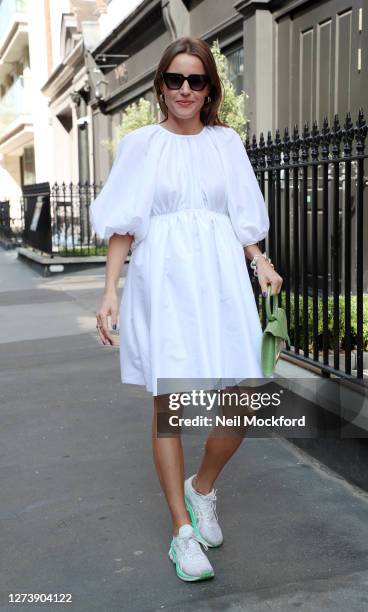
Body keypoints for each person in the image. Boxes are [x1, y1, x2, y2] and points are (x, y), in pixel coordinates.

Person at [90, 36, 283, 582]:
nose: (184, 90)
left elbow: (240, 213)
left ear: (208, 90)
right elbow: (124, 223)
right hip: (165, 278)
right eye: (175, 79)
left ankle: (202, 489)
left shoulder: (226, 144)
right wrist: (110, 291)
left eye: (195, 80)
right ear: (160, 86)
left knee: (246, 394)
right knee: (170, 403)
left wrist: (259, 260)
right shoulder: (140, 146)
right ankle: (181, 532)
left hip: (221, 276)